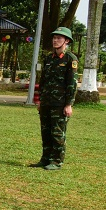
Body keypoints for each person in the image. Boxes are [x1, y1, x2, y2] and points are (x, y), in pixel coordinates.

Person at [31, 26, 78, 170]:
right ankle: (45, 159)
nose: (55, 40)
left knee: (57, 133)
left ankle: (56, 161)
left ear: (67, 41)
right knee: (46, 132)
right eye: (54, 37)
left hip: (60, 103)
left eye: (59, 38)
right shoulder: (48, 58)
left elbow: (72, 83)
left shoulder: (71, 59)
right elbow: (43, 81)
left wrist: (69, 104)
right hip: (46, 102)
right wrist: (38, 100)